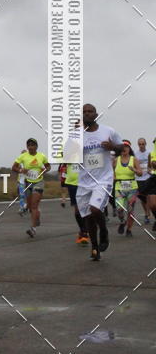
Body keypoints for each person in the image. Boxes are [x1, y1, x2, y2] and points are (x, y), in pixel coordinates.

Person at [74, 103, 123, 262]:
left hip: (103, 179)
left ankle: (104, 232)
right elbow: (67, 155)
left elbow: (122, 148)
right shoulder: (77, 134)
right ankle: (95, 248)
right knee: (88, 218)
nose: (87, 114)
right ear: (82, 115)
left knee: (95, 209)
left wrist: (113, 146)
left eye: (90, 111)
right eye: (84, 112)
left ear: (96, 114)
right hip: (84, 181)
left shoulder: (108, 131)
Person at [12, 139, 50, 238]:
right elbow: (14, 167)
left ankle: (33, 229)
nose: (30, 147)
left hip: (38, 182)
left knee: (33, 205)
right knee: (30, 206)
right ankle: (36, 217)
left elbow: (48, 166)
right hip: (28, 183)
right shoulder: (23, 156)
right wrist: (21, 170)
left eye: (32, 145)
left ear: (36, 146)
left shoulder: (41, 156)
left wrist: (44, 170)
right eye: (28, 145)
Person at [113, 143, 141, 237]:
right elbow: (111, 171)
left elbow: (140, 173)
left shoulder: (134, 159)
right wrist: (113, 177)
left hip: (132, 187)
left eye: (126, 147)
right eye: (122, 147)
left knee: (130, 211)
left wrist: (135, 170)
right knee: (119, 209)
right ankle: (122, 221)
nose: (124, 149)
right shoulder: (116, 160)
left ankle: (129, 230)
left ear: (129, 149)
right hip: (119, 187)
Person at [65, 162, 88, 244]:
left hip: (85, 183)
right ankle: (83, 231)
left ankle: (84, 232)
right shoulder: (69, 153)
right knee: (77, 209)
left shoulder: (85, 151)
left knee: (85, 208)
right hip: (72, 184)